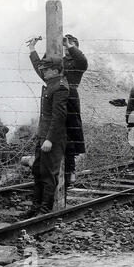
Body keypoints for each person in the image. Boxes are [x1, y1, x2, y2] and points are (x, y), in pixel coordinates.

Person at [27, 55, 69, 216]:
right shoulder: (52, 82)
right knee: (37, 170)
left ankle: (45, 210)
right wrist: (32, 51)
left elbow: (59, 117)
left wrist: (50, 140)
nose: (42, 72)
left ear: (55, 70)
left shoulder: (60, 87)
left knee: (48, 174)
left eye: (46, 70)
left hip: (52, 139)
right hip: (43, 136)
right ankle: (36, 207)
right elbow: (39, 67)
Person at [62, 34, 88, 188]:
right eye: (64, 45)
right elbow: (44, 68)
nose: (65, 48)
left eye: (69, 45)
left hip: (70, 97)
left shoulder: (77, 61)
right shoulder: (61, 60)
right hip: (56, 97)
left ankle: (70, 170)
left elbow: (83, 61)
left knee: (71, 135)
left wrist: (70, 46)